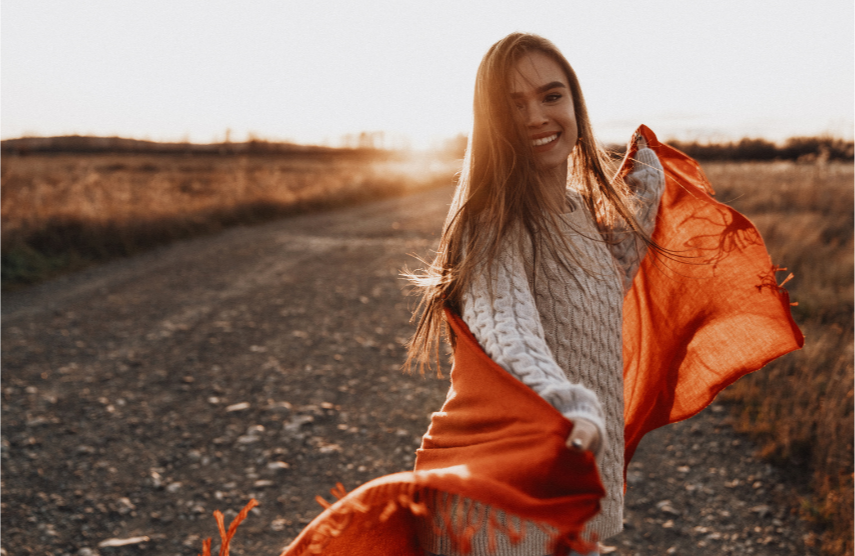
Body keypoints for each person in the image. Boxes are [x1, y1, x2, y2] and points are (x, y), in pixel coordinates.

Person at [405, 32, 666, 555]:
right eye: (513, 105)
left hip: (563, 491)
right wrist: (563, 404)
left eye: (551, 96)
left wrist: (644, 195)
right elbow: (511, 333)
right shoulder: (491, 221)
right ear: (492, 121)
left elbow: (600, 288)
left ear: (575, 103)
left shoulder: (578, 214)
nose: (536, 117)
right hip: (497, 506)